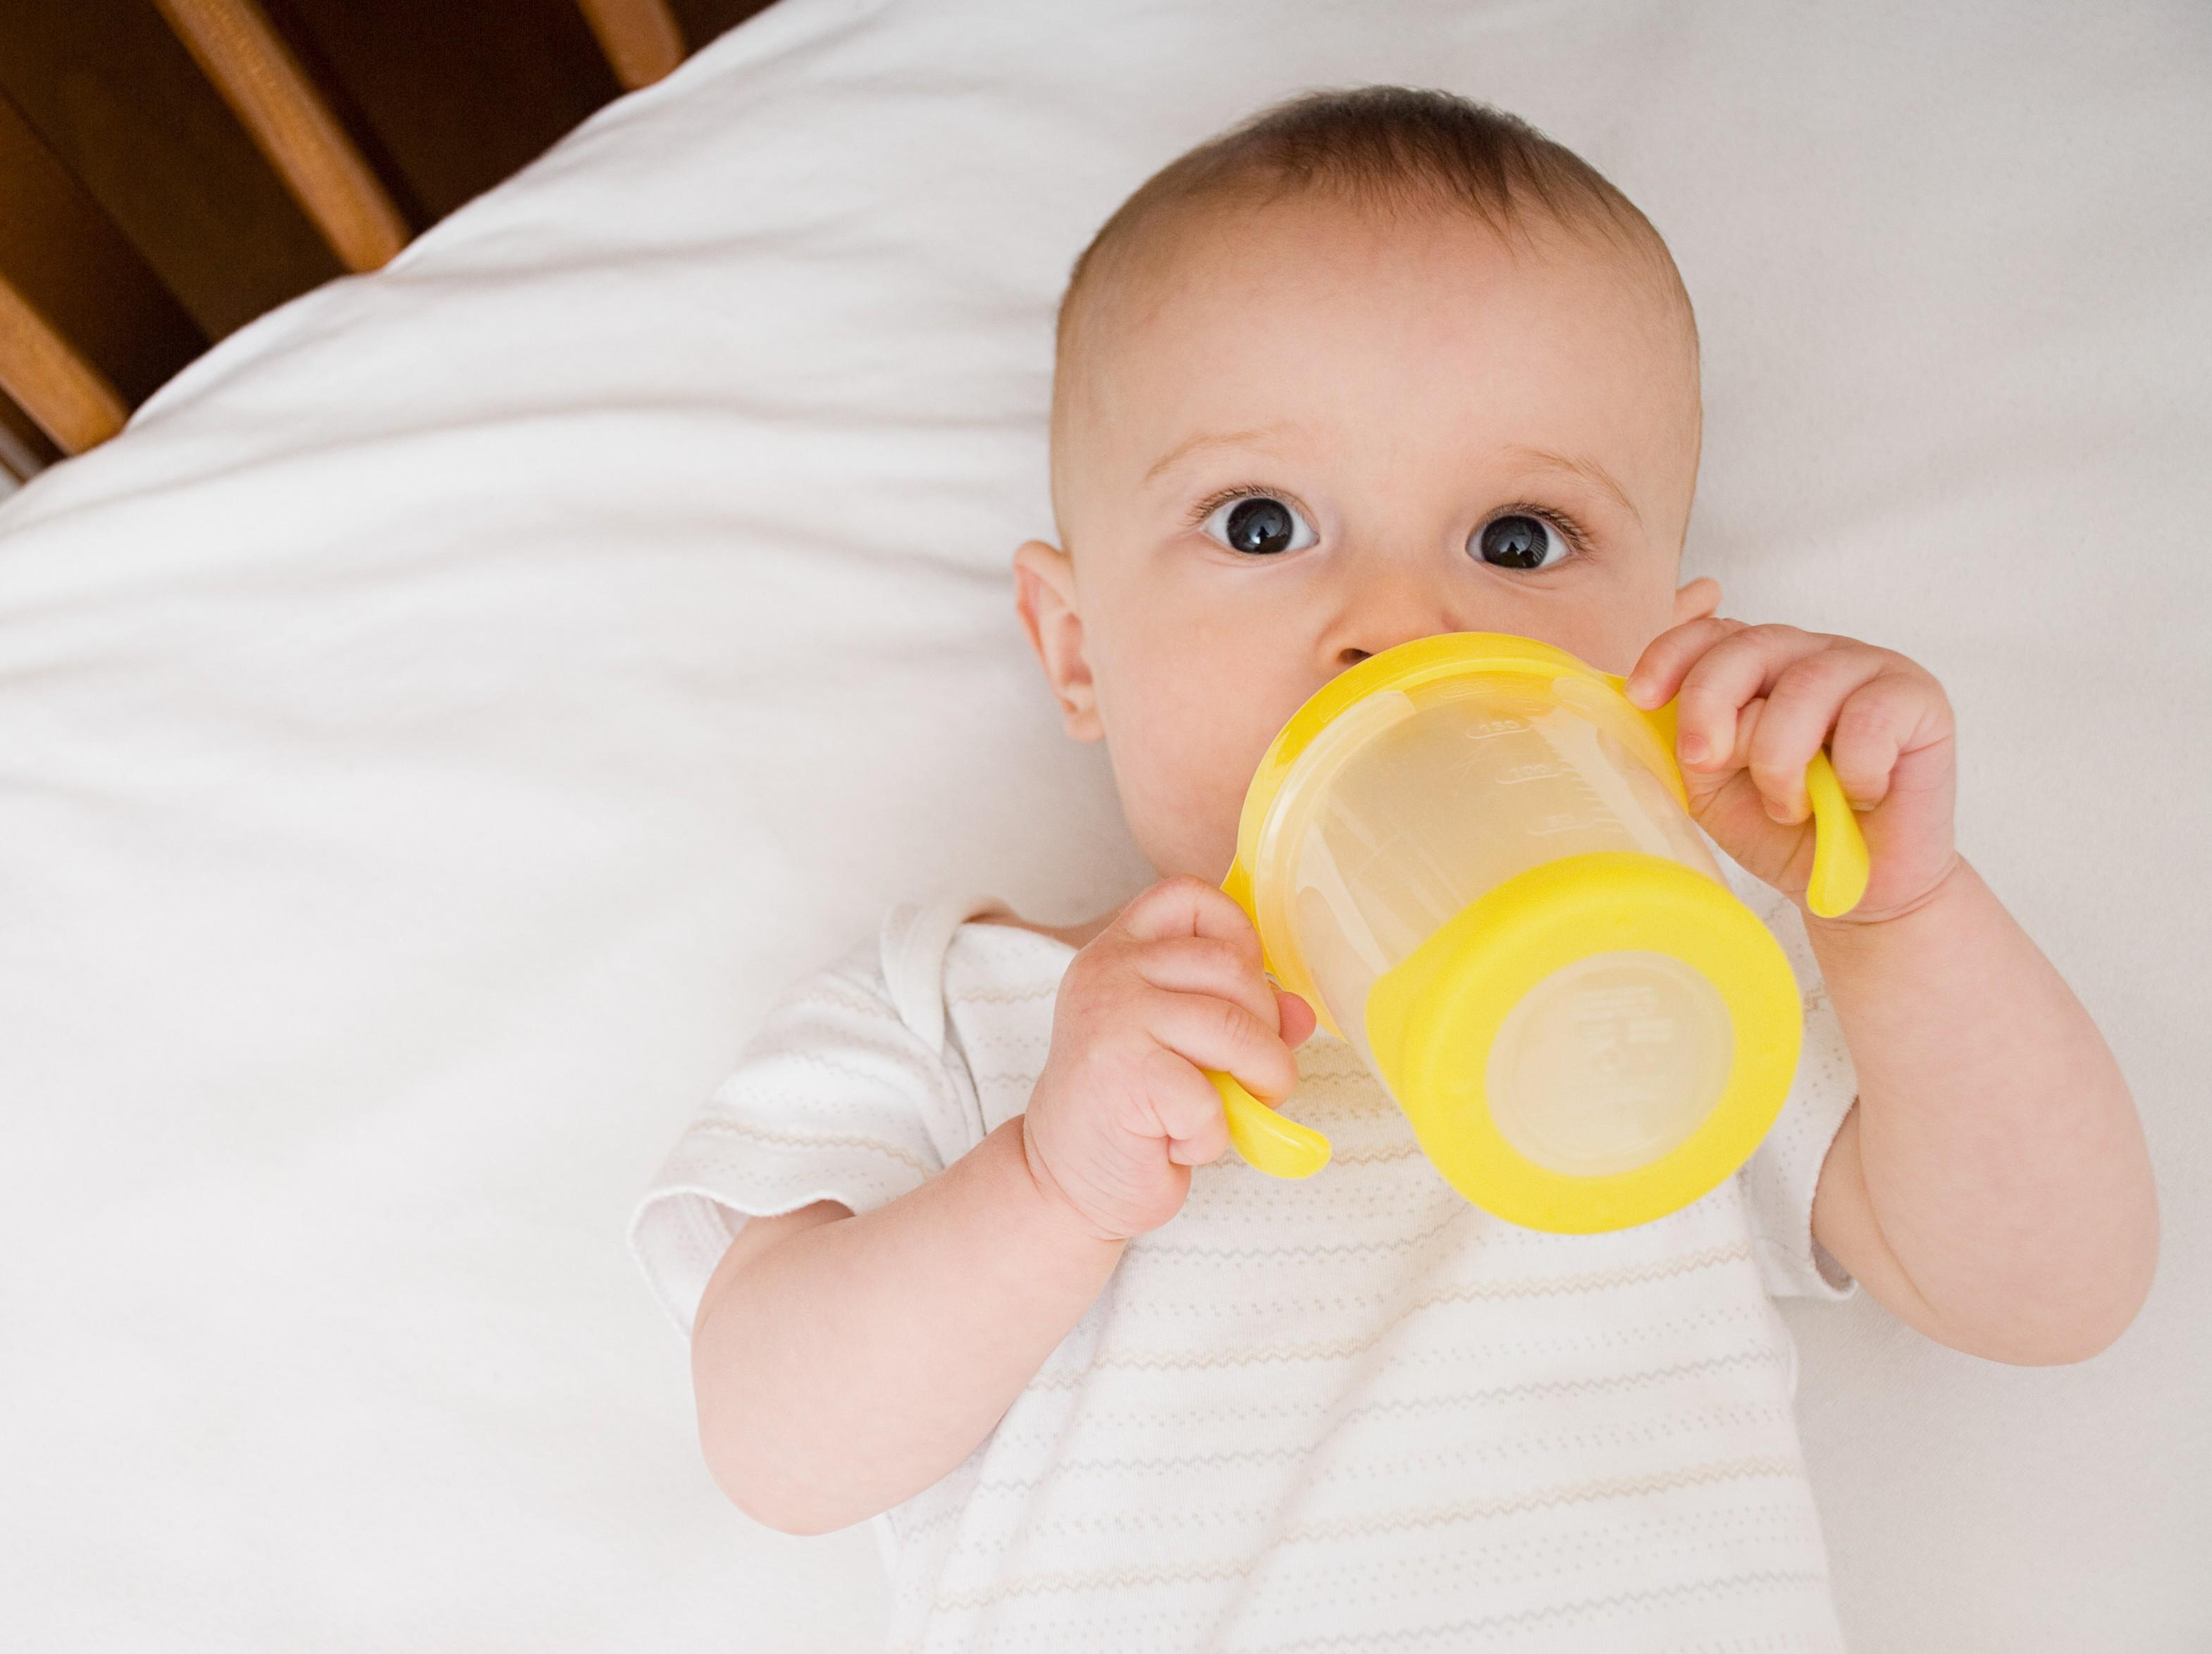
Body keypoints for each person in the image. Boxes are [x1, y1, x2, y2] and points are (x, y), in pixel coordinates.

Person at [629, 87, 2156, 1650]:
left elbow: (2050, 1292)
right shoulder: (962, 1012)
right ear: (1077, 649)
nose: (1398, 626)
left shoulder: (1669, 974)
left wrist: (1898, 915)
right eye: (1260, 523)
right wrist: (1045, 1186)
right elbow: (780, 1449)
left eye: (1517, 541)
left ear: (1661, 656)